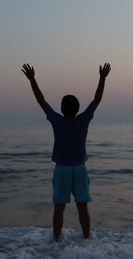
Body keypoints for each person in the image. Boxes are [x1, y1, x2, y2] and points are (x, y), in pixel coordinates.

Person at [21, 63, 111, 241]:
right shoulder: (83, 120)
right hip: (79, 169)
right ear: (78, 109)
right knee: (82, 207)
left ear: (62, 109)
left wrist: (32, 79)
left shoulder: (57, 121)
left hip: (62, 170)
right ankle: (87, 239)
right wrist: (102, 78)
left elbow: (42, 101)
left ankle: (55, 241)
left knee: (59, 207)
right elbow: (96, 100)